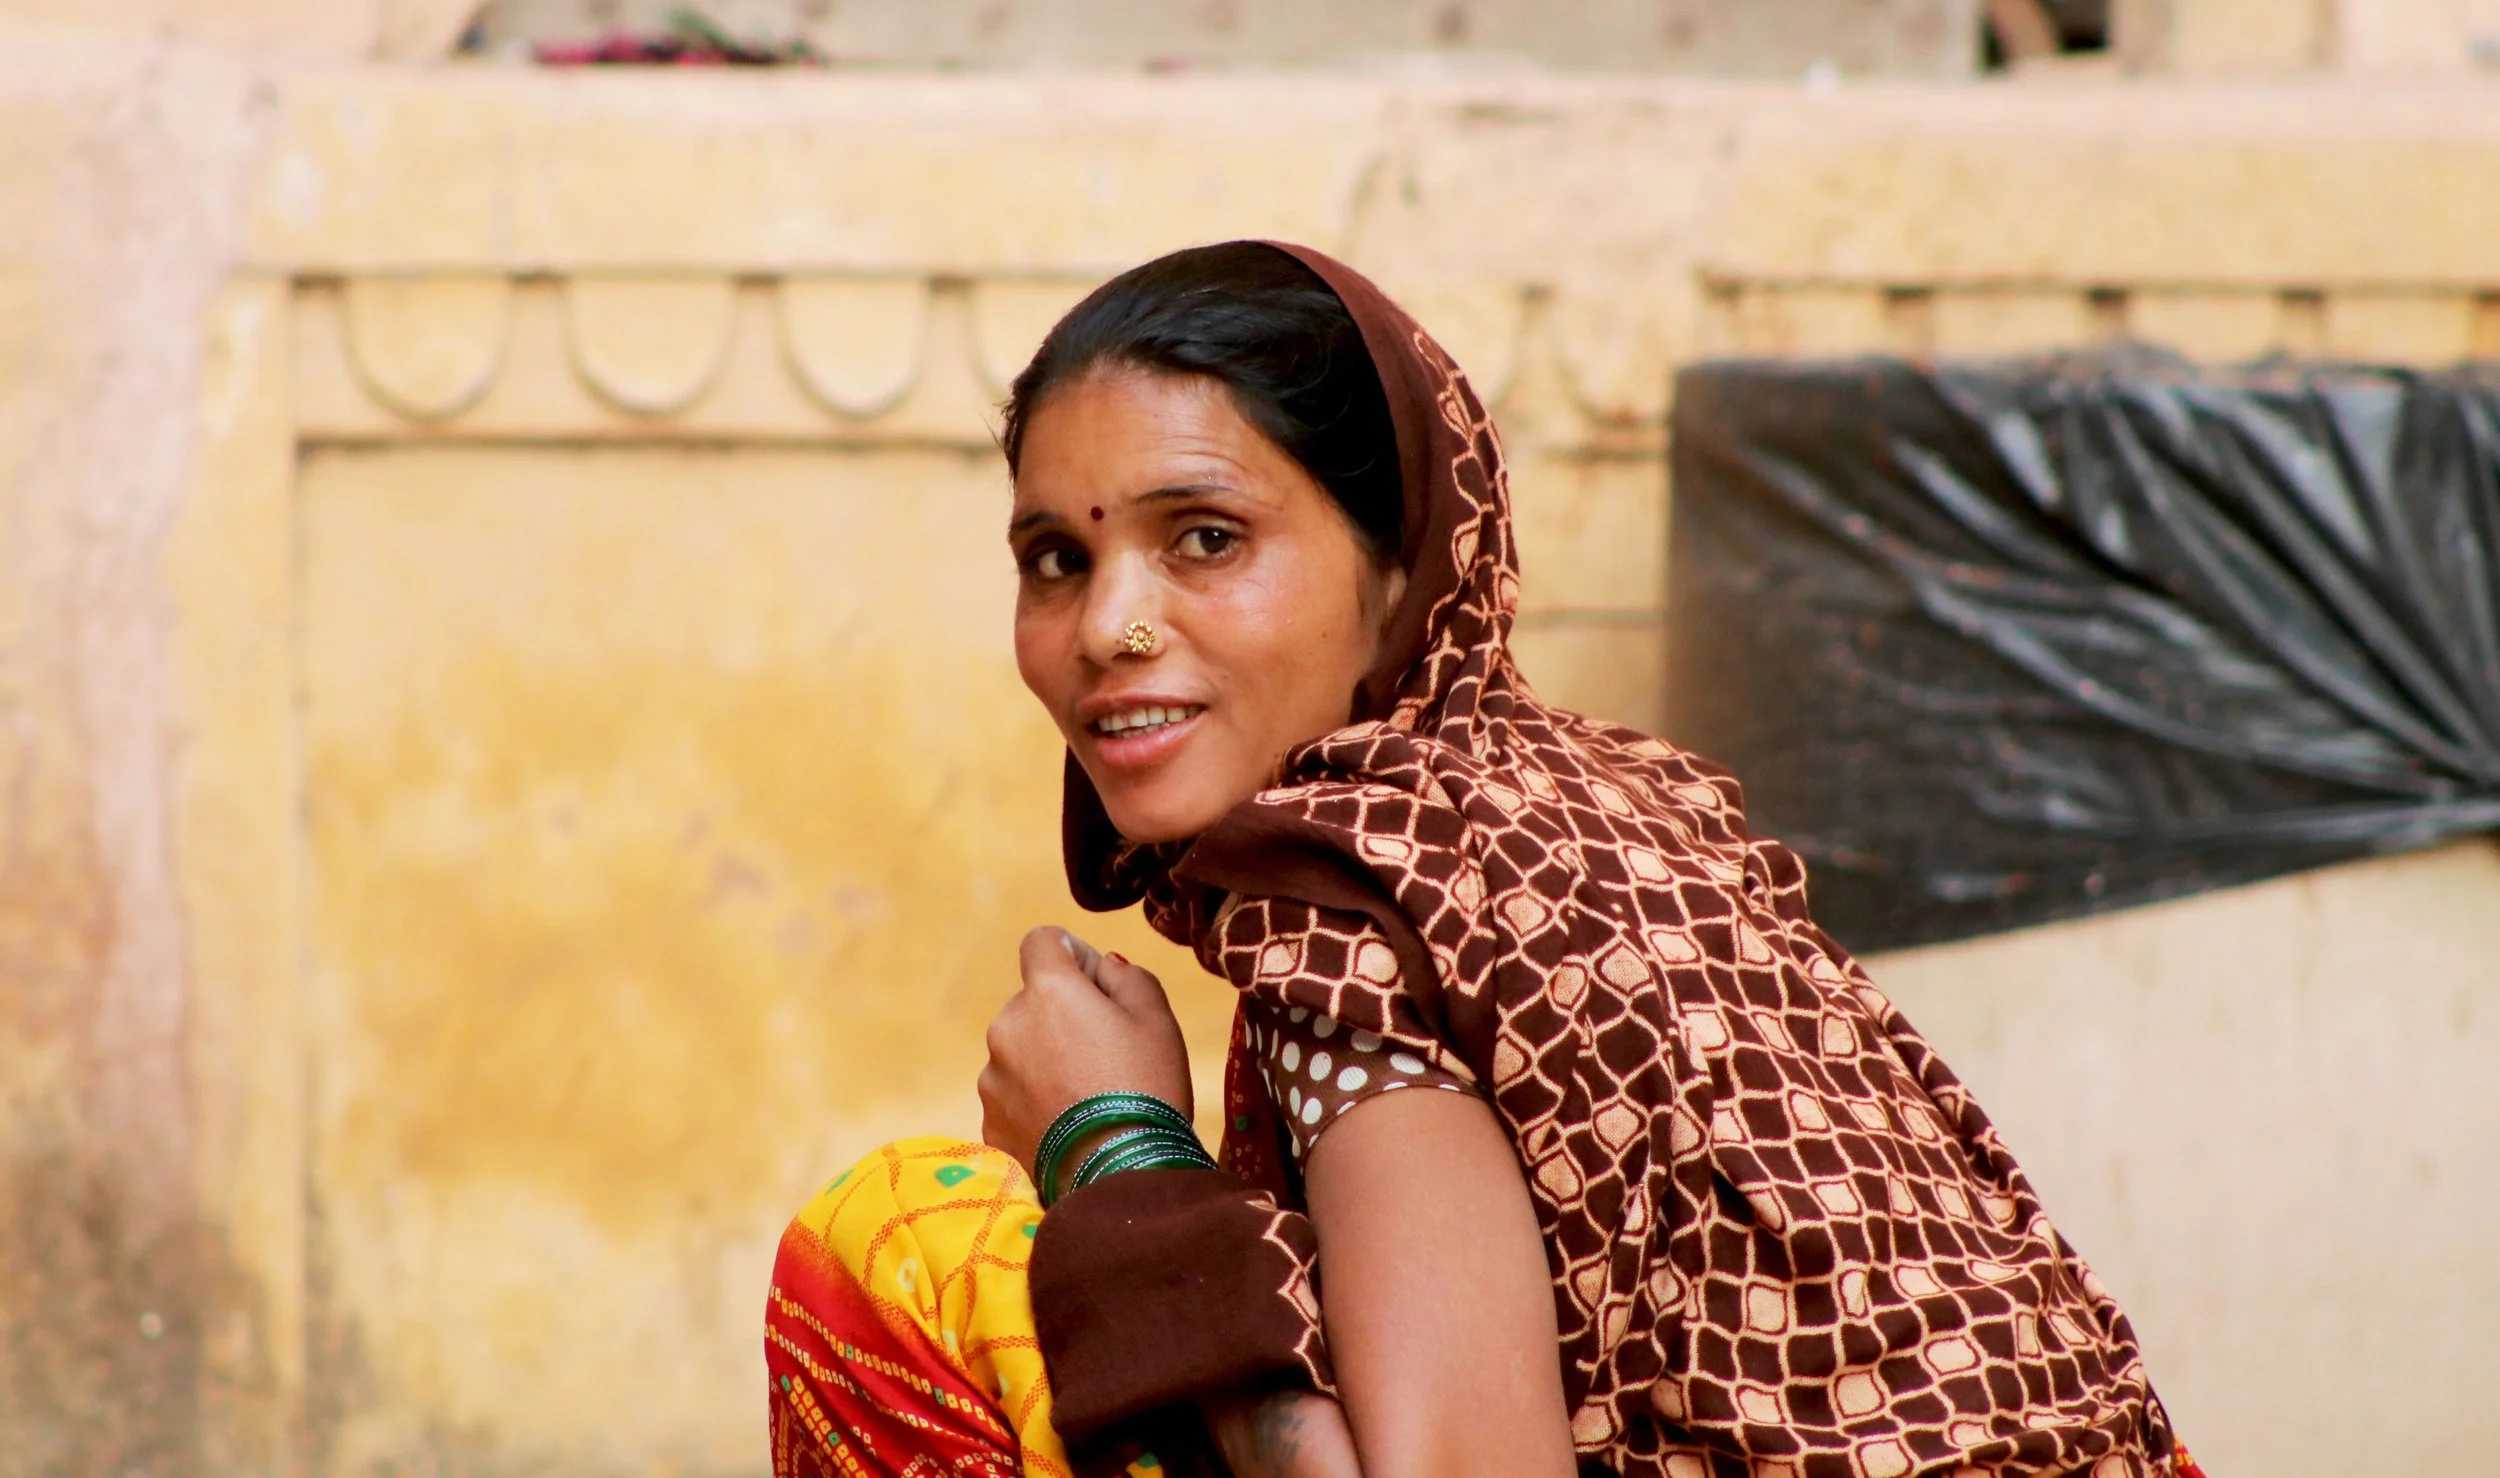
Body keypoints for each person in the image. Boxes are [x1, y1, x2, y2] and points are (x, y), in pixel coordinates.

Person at [763, 242, 2204, 1478]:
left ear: (1400, 571)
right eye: (1056, 560)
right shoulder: (1592, 802)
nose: (1105, 629)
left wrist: (1116, 1150)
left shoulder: (1357, 905)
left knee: (902, 1242)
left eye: (1204, 537)